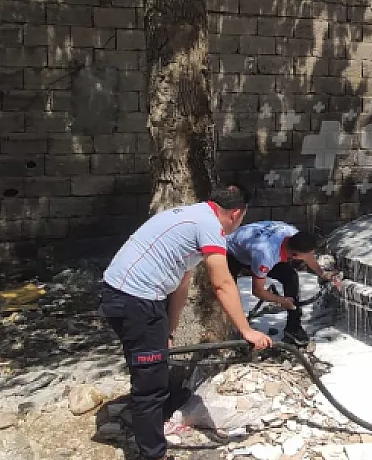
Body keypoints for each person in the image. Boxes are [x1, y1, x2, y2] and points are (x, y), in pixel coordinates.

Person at [100, 185, 272, 460]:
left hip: (133, 297)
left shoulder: (194, 216)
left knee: (155, 363)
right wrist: (246, 330)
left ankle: (162, 407)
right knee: (149, 384)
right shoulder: (209, 225)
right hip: (133, 299)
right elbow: (222, 283)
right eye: (243, 218)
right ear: (237, 213)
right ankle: (152, 453)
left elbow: (182, 283)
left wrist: (168, 330)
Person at [227, 222, 338, 346]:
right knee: (228, 291)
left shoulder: (292, 234)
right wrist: (282, 300)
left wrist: (322, 274)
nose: (310, 256)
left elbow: (308, 256)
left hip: (252, 245)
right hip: (231, 251)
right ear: (295, 256)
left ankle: (293, 328)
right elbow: (257, 291)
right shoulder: (266, 256)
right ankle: (234, 328)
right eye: (307, 254)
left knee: (290, 276)